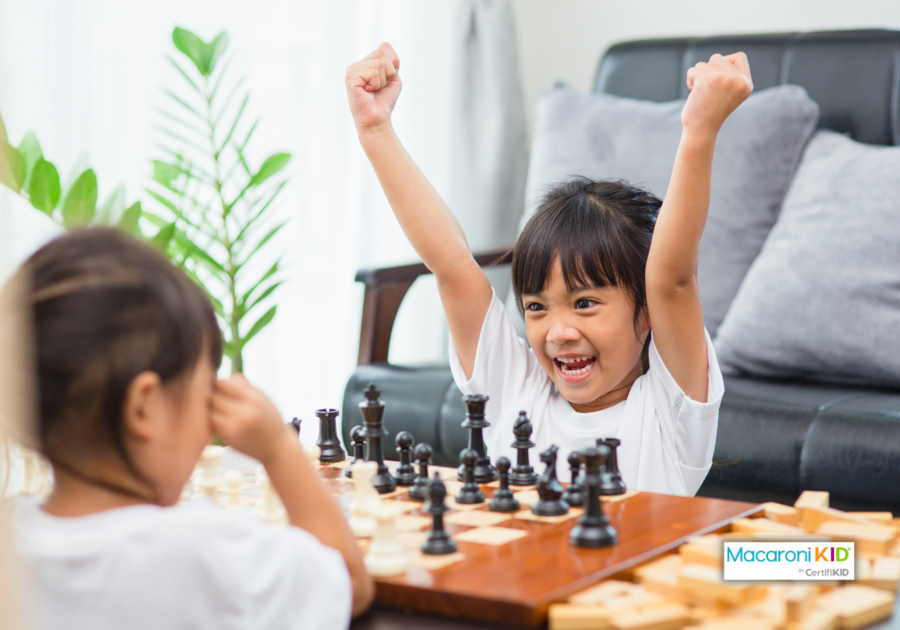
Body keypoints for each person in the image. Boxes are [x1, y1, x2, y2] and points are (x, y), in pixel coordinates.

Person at [345, 43, 753, 496]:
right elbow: (453, 265)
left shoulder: (670, 413)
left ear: (646, 313)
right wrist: (376, 131)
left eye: (584, 303)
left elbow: (672, 278)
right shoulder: (515, 389)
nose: (558, 331)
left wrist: (700, 129)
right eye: (537, 307)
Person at [12, 229, 374, 629]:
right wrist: (278, 450)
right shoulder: (198, 549)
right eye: (207, 394)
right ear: (143, 408)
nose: (210, 425)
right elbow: (349, 582)